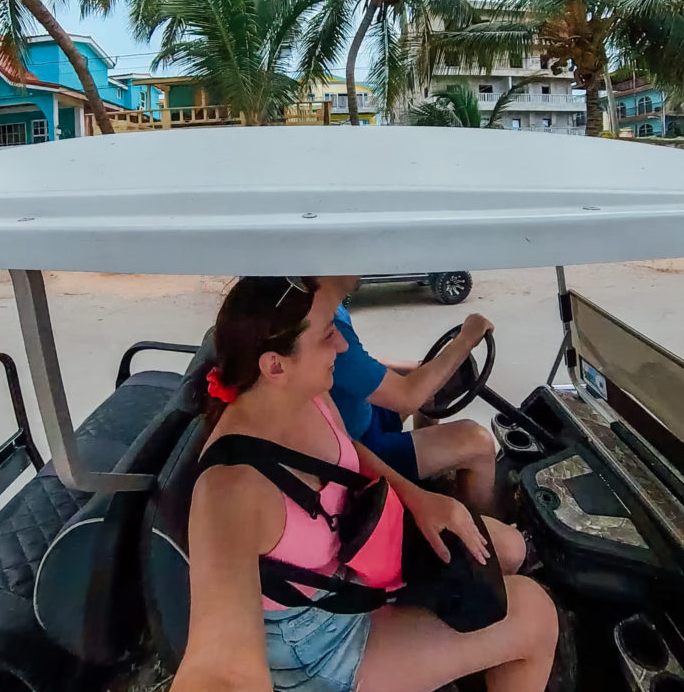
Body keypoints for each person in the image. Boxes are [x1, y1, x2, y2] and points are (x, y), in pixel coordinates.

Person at [171, 276, 557, 692]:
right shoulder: (229, 491)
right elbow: (221, 667)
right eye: (328, 336)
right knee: (534, 614)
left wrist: (418, 497)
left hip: (358, 557)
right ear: (275, 365)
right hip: (319, 644)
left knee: (508, 549)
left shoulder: (307, 394)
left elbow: (347, 450)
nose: (340, 346)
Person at [325, 276, 498, 514]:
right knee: (480, 442)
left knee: (428, 386)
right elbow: (407, 396)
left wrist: (416, 369)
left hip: (359, 417)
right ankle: (485, 533)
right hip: (357, 451)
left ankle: (429, 471)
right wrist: (467, 339)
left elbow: (359, 363)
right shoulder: (325, 326)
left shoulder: (329, 308)